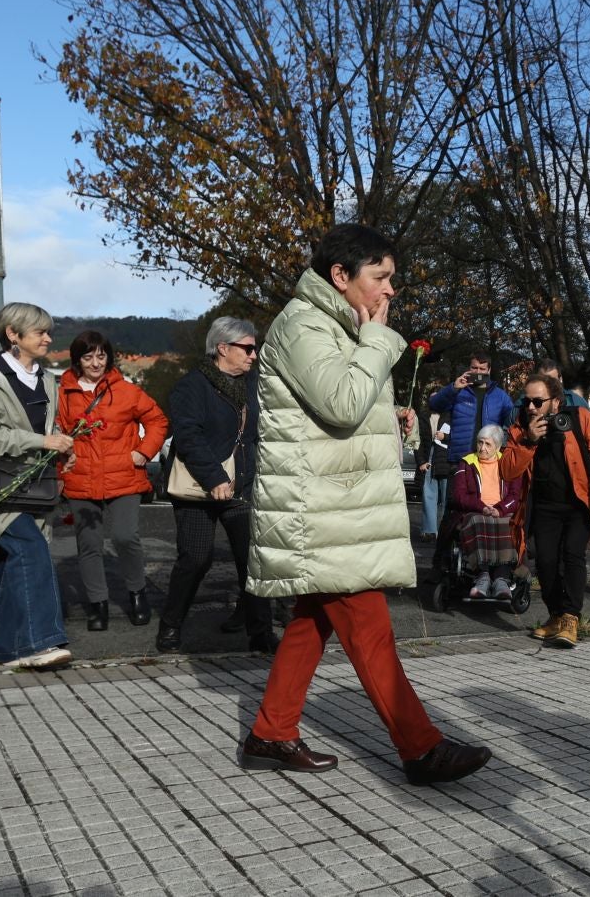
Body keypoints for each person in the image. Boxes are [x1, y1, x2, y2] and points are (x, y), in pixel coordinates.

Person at [241, 222, 490, 785]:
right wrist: (378, 342)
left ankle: (270, 734)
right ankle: (420, 748)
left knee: (311, 624)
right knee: (369, 626)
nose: (390, 289)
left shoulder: (335, 323)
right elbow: (342, 403)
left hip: (335, 505)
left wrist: (391, 419)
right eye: (381, 277)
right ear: (339, 276)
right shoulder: (305, 324)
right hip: (321, 510)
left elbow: (342, 413)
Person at [0, 303, 75, 668]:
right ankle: (39, 643)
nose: (48, 338)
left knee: (14, 563)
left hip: (34, 485)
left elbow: (42, 431)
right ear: (13, 334)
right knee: (30, 549)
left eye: (48, 331)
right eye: (39, 332)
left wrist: (59, 448)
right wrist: (41, 443)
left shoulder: (46, 380)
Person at [157, 317, 276, 654]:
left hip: (241, 486)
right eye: (248, 348)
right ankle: (171, 623)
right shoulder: (191, 387)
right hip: (198, 488)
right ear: (223, 348)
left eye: (256, 348)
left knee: (253, 560)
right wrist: (214, 478)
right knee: (195, 558)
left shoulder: (254, 385)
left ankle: (260, 633)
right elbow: (189, 437)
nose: (254, 355)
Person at [57, 331, 169, 631]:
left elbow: (158, 421)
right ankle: (98, 604)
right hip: (80, 476)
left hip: (124, 475)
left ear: (109, 357)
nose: (96, 363)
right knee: (88, 544)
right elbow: (57, 433)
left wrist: (144, 452)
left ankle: (136, 593)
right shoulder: (63, 393)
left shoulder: (127, 391)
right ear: (78, 360)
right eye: (88, 356)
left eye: (101, 356)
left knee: (125, 536)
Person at [500, 374, 590, 647]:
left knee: (572, 556)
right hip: (543, 507)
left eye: (537, 401)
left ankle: (571, 618)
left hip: (579, 503)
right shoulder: (520, 427)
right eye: (527, 401)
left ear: (555, 401)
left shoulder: (579, 418)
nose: (531, 407)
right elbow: (507, 470)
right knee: (545, 563)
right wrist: (529, 441)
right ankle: (555, 616)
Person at [451, 424, 522, 599]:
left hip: (500, 511)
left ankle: (501, 579)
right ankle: (482, 576)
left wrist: (501, 509)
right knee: (478, 521)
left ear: (497, 447)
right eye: (480, 442)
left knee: (510, 523)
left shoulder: (507, 463)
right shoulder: (466, 462)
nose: (482, 448)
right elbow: (459, 496)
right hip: (475, 511)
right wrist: (481, 507)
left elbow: (515, 495)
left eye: (487, 444)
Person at [428, 351, 514, 465]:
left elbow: (512, 424)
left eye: (482, 369)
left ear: (489, 370)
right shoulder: (458, 391)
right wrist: (454, 387)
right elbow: (434, 405)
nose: (478, 372)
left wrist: (501, 445)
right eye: (474, 368)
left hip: (489, 459)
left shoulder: (501, 396)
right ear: (469, 368)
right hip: (460, 458)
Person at [417, 400, 451, 542]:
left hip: (446, 459)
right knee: (428, 496)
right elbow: (417, 441)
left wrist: (446, 437)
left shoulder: (451, 415)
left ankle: (445, 530)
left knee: (446, 498)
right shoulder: (423, 417)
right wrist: (421, 462)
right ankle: (429, 531)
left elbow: (460, 436)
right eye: (434, 398)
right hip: (429, 457)